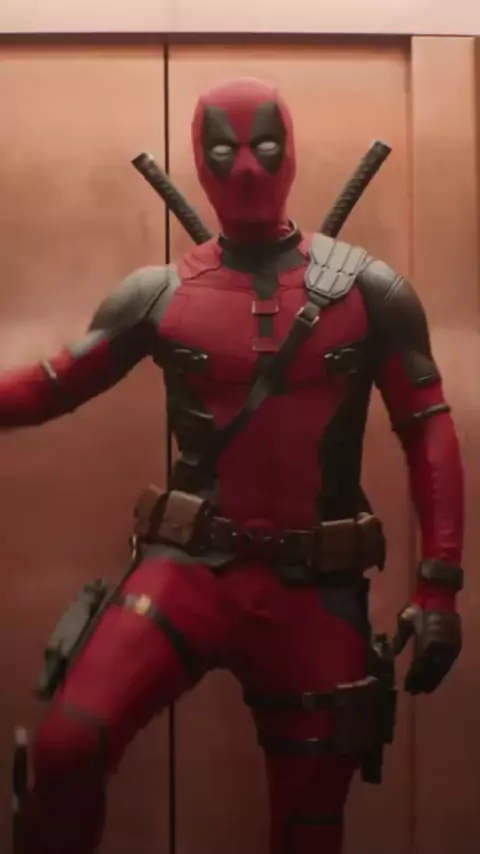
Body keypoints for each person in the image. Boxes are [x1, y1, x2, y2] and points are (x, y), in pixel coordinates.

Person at [6, 77, 463, 854]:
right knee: (66, 750)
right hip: (187, 574)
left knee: (310, 823)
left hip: (313, 588)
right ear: (199, 159)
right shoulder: (158, 294)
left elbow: (430, 431)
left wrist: (440, 585)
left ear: (292, 155)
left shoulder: (370, 290)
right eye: (223, 150)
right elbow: (52, 385)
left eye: (265, 145)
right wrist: (438, 585)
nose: (247, 167)